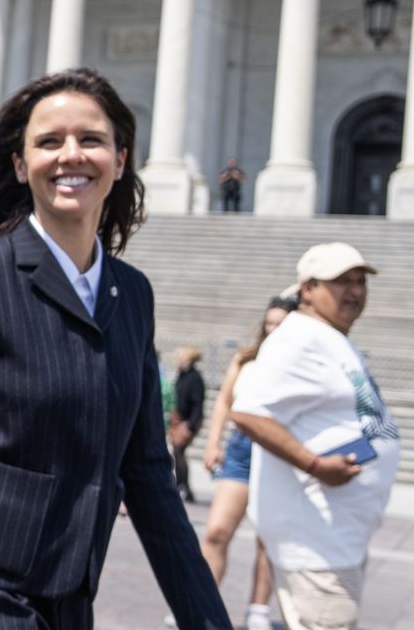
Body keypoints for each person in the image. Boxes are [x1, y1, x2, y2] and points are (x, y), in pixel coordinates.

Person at [0, 68, 229, 629]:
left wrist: (208, 621)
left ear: (121, 159)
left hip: (72, 604)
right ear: (19, 163)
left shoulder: (132, 295)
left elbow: (150, 475)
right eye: (49, 142)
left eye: (91, 140)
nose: (71, 155)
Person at [232, 244, 401, 630]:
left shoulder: (328, 335)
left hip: (336, 537)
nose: (355, 291)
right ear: (307, 288)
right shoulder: (298, 338)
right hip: (316, 542)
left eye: (360, 282)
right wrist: (314, 464)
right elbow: (248, 411)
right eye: (341, 281)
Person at [199, 296, 296, 630]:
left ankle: (257, 610)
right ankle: (200, 602)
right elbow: (225, 401)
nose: (274, 329)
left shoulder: (299, 363)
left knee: (266, 536)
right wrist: (213, 442)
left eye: (282, 323)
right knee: (216, 530)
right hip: (241, 449)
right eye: (270, 322)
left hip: (278, 450)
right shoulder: (246, 359)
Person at [170, 345, 206, 501]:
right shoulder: (182, 375)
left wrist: (190, 425)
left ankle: (182, 486)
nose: (178, 361)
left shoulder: (195, 378)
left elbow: (198, 404)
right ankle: (183, 486)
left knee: (179, 452)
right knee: (178, 453)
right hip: (179, 420)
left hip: (188, 421)